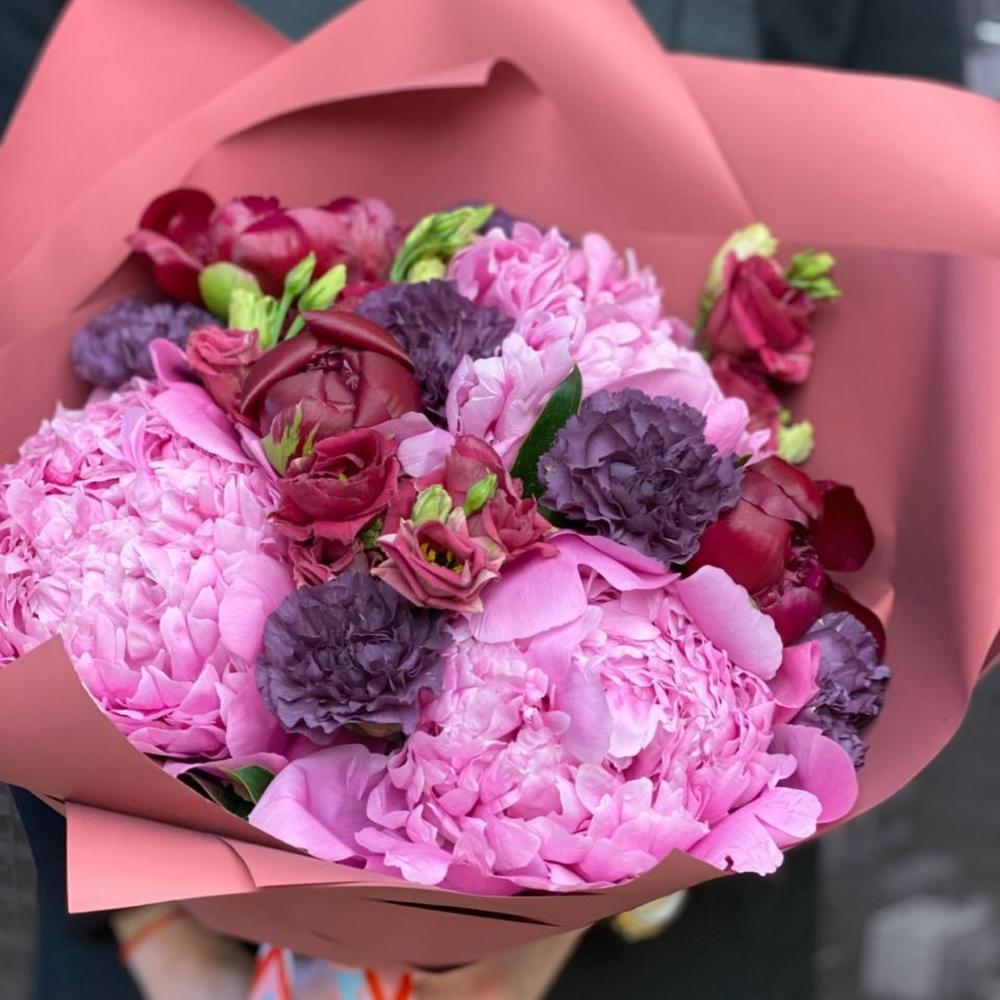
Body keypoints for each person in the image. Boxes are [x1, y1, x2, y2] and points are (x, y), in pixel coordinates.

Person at [2, 1, 962, 998]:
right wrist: (152, 922)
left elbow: (929, 299)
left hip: (675, 953)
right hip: (162, 951)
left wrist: (623, 875)